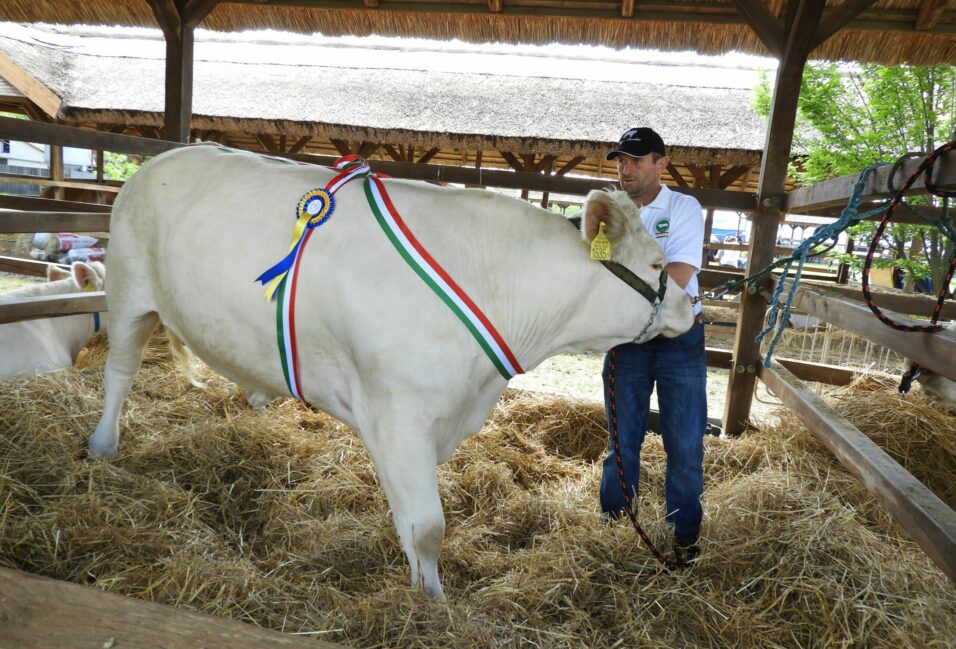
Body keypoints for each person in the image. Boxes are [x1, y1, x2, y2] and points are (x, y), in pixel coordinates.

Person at [599, 127, 707, 564]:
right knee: (621, 443)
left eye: (636, 159)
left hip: (678, 339)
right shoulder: (608, 210)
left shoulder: (682, 206)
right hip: (626, 340)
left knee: (684, 444)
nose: (625, 168)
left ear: (662, 163)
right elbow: (597, 264)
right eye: (621, 159)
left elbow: (680, 271)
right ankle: (614, 532)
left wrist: (624, 291)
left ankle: (682, 538)